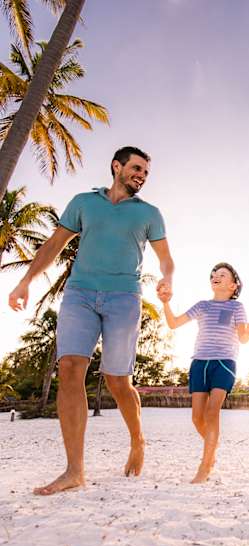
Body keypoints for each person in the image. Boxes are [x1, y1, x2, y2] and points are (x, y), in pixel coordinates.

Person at [8, 146, 174, 495]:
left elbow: (166, 259)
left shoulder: (149, 214)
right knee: (69, 368)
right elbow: (53, 244)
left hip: (124, 299)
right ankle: (74, 470)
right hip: (80, 293)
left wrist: (167, 279)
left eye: (146, 172)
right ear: (117, 166)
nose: (142, 176)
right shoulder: (84, 202)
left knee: (118, 382)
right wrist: (26, 281)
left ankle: (138, 439)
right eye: (137, 168)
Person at [158, 263, 249, 483]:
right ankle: (212, 449)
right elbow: (174, 323)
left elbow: (243, 337)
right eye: (214, 274)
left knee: (212, 412)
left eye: (222, 274)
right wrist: (166, 303)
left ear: (233, 285)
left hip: (223, 362)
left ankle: (204, 467)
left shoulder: (237, 307)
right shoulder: (202, 305)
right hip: (199, 363)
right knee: (197, 418)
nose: (216, 276)